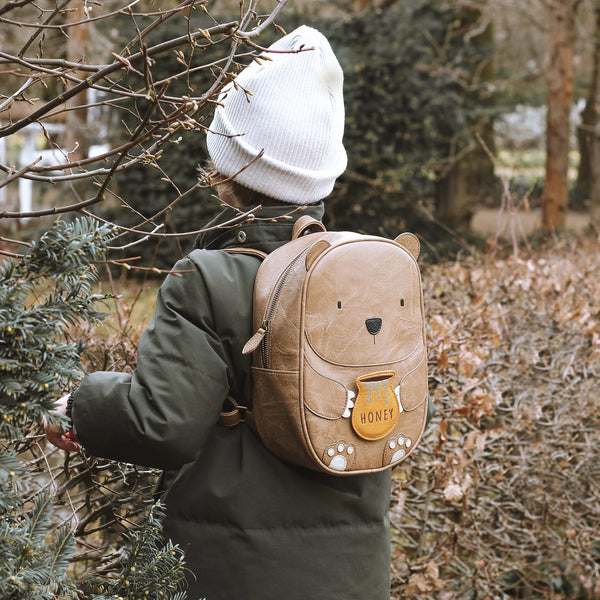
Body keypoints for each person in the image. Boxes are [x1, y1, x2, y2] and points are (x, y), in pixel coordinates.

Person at [46, 26, 393, 600]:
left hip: (237, 571)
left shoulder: (209, 277)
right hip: (355, 571)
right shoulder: (372, 273)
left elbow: (162, 424)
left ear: (230, 164)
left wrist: (75, 406)